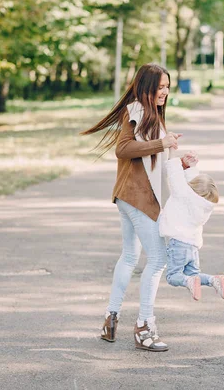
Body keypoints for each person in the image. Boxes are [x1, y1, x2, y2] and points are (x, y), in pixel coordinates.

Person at [81, 63, 197, 352]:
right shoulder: (136, 110)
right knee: (157, 259)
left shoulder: (149, 114)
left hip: (130, 196)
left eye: (168, 87)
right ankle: (144, 326)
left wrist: (180, 164)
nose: (165, 92)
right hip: (137, 197)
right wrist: (161, 143)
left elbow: (152, 161)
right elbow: (123, 149)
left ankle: (111, 318)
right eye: (160, 87)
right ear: (146, 88)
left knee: (130, 256)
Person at [159, 150, 224, 301]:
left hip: (178, 243)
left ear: (192, 187)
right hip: (193, 246)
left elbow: (175, 176)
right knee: (194, 275)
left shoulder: (183, 195)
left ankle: (187, 281)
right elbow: (195, 185)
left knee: (173, 276)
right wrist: (192, 167)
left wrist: (173, 154)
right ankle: (213, 279)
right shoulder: (206, 204)